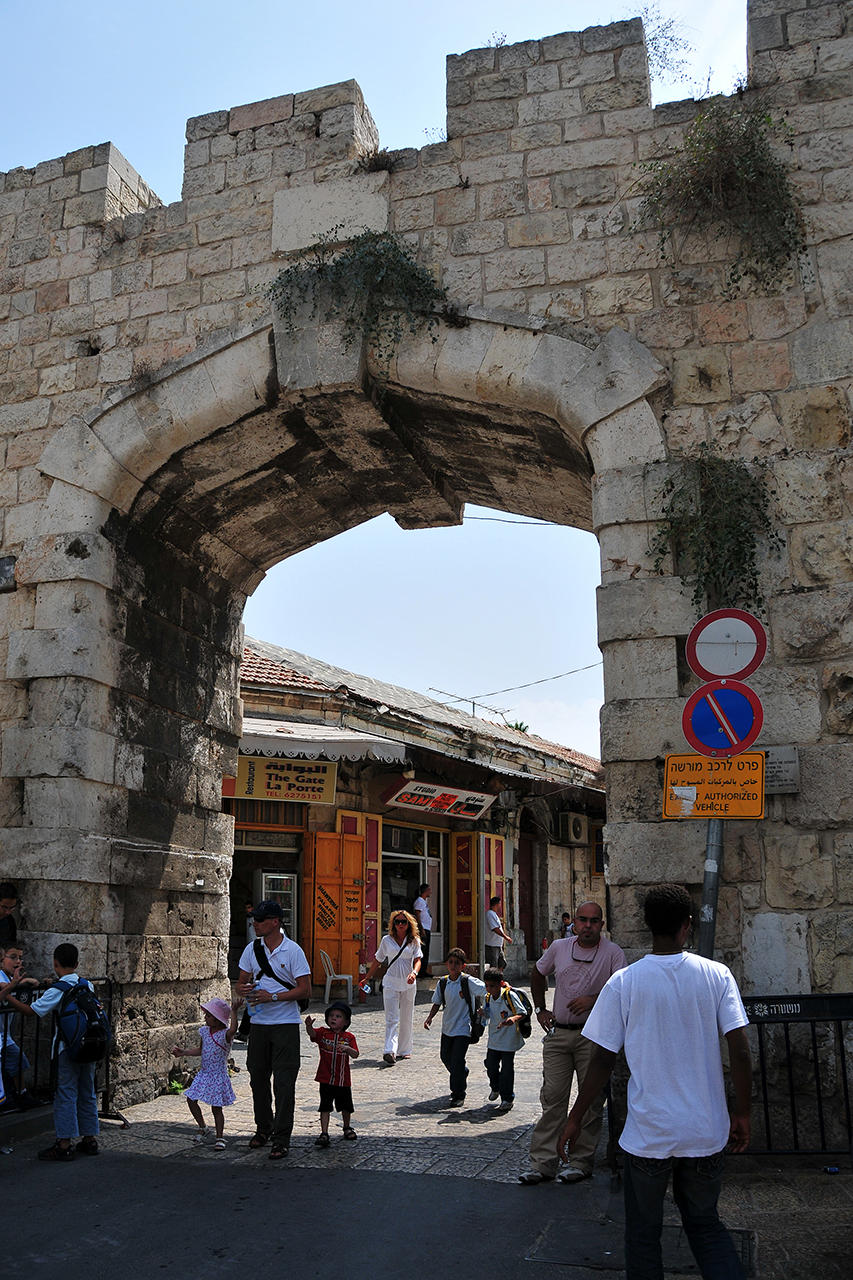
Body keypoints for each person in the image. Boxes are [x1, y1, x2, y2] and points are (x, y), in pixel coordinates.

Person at [559, 884, 752, 1280]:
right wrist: (743, 1112)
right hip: (705, 1129)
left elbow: (602, 1060)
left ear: (647, 925)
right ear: (687, 926)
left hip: (649, 1134)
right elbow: (741, 1051)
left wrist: (575, 1117)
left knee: (643, 1235)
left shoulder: (624, 983)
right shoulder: (717, 975)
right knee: (706, 1226)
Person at [519, 901, 626, 1185]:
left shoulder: (613, 953)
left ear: (601, 925)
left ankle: (580, 1161)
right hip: (559, 1034)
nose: (588, 926)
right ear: (575, 923)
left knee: (590, 1101)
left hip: (593, 1036)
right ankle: (542, 1163)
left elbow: (622, 990)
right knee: (553, 1097)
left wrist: (593, 1000)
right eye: (583, 920)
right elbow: (538, 973)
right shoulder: (559, 947)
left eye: (594, 921)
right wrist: (540, 1009)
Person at [235, 900, 311, 1161]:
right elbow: (240, 982)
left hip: (285, 1025)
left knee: (284, 1082)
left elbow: (305, 989)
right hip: (259, 1024)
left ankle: (282, 1138)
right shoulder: (252, 949)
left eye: (260, 919)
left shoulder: (293, 951)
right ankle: (263, 1128)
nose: (254, 924)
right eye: (253, 919)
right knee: (257, 1078)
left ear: (275, 922)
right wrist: (244, 989)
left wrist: (274, 997)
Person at [26, 942, 100, 1161]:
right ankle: (89, 1139)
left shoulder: (57, 990)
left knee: (66, 1093)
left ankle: (64, 1143)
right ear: (76, 964)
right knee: (88, 1091)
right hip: (89, 1045)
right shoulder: (87, 985)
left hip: (66, 1048)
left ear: (55, 963)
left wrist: (8, 995)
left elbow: (32, 1011)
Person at [171, 996, 239, 1150]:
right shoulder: (205, 1032)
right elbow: (201, 1050)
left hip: (217, 1075)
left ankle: (220, 1137)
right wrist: (184, 1052)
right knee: (191, 1099)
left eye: (209, 1015)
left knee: (216, 1108)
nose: (205, 1018)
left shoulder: (225, 1034)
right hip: (205, 1073)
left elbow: (233, 1029)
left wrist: (234, 1011)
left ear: (218, 1019)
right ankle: (203, 1126)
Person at [423, 948, 486, 1107]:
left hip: (463, 1028)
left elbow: (486, 989)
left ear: (462, 966)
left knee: (457, 1060)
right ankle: (461, 1073)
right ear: (446, 964)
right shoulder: (443, 982)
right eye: (451, 962)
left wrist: (485, 1008)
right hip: (447, 1028)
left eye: (457, 963)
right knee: (445, 1057)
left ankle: (458, 1094)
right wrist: (430, 1018)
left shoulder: (467, 982)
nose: (453, 966)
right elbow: (437, 1002)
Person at [361, 909, 422, 1064]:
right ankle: (389, 1050)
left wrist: (414, 973)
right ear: (393, 924)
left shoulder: (414, 940)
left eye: (403, 922)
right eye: (397, 922)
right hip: (391, 983)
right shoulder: (386, 940)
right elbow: (378, 959)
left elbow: (418, 959)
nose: (400, 924)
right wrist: (367, 977)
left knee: (407, 1017)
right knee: (391, 1018)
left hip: (408, 984)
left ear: (409, 924)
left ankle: (404, 1050)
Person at [305, 1000, 359, 1146]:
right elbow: (312, 1035)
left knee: (346, 1106)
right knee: (325, 1106)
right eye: (331, 1016)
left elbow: (355, 1054)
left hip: (342, 1079)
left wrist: (348, 1049)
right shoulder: (323, 1033)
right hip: (326, 1078)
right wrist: (308, 1026)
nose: (334, 1018)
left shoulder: (349, 1037)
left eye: (338, 1016)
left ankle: (347, 1127)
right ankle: (324, 1132)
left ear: (346, 1022)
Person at [0, 943, 41, 1110]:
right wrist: (23, 982)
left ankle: (21, 1094)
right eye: (13, 957)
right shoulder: (2, 977)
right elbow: (3, 987)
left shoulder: (8, 978)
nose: (18, 961)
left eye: (20, 958)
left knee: (18, 1060)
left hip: (4, 1034)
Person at [482, 966, 526, 1113]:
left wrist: (513, 1019)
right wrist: (482, 1013)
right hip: (494, 1039)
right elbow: (488, 1014)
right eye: (487, 986)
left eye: (492, 986)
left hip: (509, 1040)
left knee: (507, 1069)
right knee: (491, 1065)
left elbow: (522, 1012)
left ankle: (507, 1098)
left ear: (500, 984)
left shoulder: (509, 996)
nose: (489, 989)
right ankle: (495, 1087)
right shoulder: (487, 998)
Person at [484, 896, 512, 970]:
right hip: (491, 945)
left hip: (497, 945)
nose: (500, 905)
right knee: (493, 966)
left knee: (502, 963)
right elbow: (495, 928)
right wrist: (505, 937)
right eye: (499, 903)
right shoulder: (490, 914)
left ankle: (499, 976)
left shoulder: (494, 914)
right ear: (496, 904)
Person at [413, 884, 433, 977]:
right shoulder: (420, 901)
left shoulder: (424, 902)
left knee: (426, 951)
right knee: (422, 950)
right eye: (429, 890)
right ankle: (420, 971)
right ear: (425, 891)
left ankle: (424, 970)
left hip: (426, 928)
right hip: (423, 928)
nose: (430, 892)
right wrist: (421, 928)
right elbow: (417, 915)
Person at [0, 883, 18, 948]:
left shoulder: (9, 920)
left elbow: (11, 943)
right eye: (4, 907)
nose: (8, 912)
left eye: (12, 908)